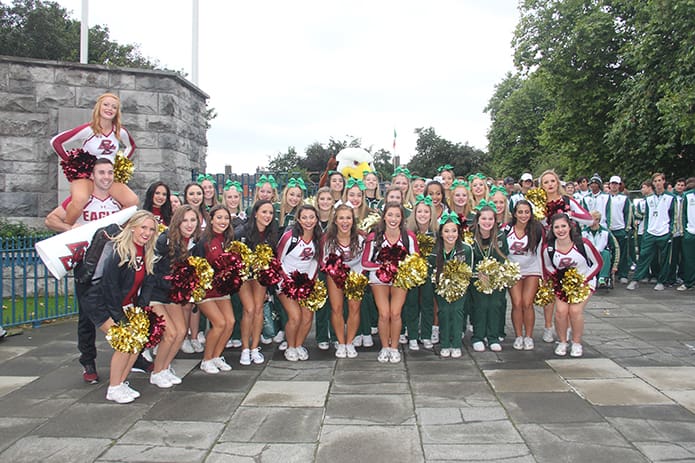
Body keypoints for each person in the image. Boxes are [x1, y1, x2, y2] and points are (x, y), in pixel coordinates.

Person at [45, 159, 128, 384]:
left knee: (122, 311)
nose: (106, 176)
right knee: (87, 318)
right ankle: (88, 362)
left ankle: (131, 357)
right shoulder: (80, 200)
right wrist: (69, 227)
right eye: (101, 172)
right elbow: (51, 220)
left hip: (113, 268)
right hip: (87, 268)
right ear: (92, 175)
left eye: (110, 172)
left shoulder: (118, 201)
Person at [79, 211, 157, 403]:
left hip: (124, 304)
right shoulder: (118, 251)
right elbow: (110, 288)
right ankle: (113, 388)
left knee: (137, 342)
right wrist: (120, 319)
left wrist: (141, 310)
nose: (146, 232)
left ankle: (121, 382)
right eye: (143, 227)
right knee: (125, 342)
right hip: (101, 304)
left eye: (151, 229)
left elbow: (146, 284)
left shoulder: (145, 251)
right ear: (132, 227)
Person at [50, 93, 138, 225]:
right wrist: (73, 163)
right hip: (88, 176)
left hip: (107, 177)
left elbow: (131, 146)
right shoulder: (89, 129)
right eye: (106, 105)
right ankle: (68, 229)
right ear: (99, 107)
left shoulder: (119, 131)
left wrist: (119, 163)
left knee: (132, 201)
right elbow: (56, 142)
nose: (110, 109)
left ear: (117, 111)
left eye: (114, 107)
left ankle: (114, 229)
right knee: (79, 200)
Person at [148, 205, 201, 388]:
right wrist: (175, 281)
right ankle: (156, 372)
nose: (189, 224)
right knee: (170, 334)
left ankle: (164, 368)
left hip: (172, 295)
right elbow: (153, 271)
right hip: (155, 293)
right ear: (177, 221)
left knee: (180, 332)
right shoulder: (164, 240)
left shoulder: (194, 243)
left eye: (193, 220)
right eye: (185, 220)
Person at [538, 170, 592, 342]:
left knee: (567, 289)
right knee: (548, 288)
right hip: (547, 248)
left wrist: (570, 215)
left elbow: (589, 219)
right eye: (545, 182)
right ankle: (548, 327)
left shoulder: (567, 200)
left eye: (552, 181)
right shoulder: (538, 203)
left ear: (558, 182)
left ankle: (567, 328)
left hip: (568, 247)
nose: (550, 185)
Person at [361, 202, 419, 363]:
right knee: (384, 314)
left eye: (397, 216)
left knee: (395, 313)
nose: (393, 219)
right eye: (390, 215)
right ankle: (384, 347)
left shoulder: (408, 237)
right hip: (379, 278)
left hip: (400, 278)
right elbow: (365, 262)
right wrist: (384, 266)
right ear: (384, 216)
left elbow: (416, 261)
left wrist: (400, 268)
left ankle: (394, 348)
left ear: (402, 218)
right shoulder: (374, 236)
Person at [543, 213, 602, 357]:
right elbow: (548, 266)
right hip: (562, 284)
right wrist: (558, 278)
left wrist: (584, 280)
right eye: (557, 227)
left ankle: (576, 343)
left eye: (563, 226)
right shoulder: (549, 248)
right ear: (552, 229)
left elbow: (598, 263)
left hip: (584, 282)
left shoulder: (583, 244)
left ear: (570, 227)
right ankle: (562, 341)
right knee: (561, 312)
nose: (560, 230)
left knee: (575, 311)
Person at [276, 205, 322, 361]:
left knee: (308, 316)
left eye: (312, 217)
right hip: (285, 282)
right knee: (295, 316)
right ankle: (290, 346)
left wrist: (309, 282)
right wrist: (287, 281)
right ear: (298, 219)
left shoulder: (318, 238)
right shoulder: (290, 237)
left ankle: (298, 345)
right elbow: (277, 260)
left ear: (316, 219)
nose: (308, 221)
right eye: (304, 217)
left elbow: (316, 262)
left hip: (306, 282)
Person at [236, 200, 279, 365]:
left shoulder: (271, 233)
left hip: (261, 276)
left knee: (259, 308)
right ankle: (245, 349)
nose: (267, 216)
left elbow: (273, 257)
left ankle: (255, 347)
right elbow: (233, 257)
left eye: (270, 213)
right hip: (244, 276)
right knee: (249, 309)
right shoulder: (241, 232)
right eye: (264, 212)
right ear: (255, 213)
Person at [322, 204, 366, 358]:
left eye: (348, 218)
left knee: (354, 309)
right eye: (341, 218)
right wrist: (336, 273)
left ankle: (350, 342)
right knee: (337, 308)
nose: (345, 222)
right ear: (335, 220)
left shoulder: (361, 238)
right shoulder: (328, 240)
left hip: (356, 275)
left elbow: (366, 260)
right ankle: (341, 342)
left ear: (353, 221)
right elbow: (324, 262)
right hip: (335, 276)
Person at [197, 206, 237, 373]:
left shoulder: (228, 239)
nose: (223, 221)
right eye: (219, 218)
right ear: (211, 219)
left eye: (226, 218)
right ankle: (206, 360)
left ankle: (216, 356)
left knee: (230, 322)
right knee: (219, 323)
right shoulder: (203, 241)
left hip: (221, 289)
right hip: (205, 290)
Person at [431, 212, 473, 358]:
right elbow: (431, 271)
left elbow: (469, 271)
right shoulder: (434, 250)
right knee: (443, 311)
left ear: (458, 232)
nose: (451, 234)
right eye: (446, 231)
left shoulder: (466, 249)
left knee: (457, 312)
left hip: (460, 287)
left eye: (454, 231)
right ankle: (444, 344)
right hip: (441, 287)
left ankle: (456, 344)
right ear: (441, 233)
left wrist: (459, 284)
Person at [469, 204, 509, 352]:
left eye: (490, 219)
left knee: (494, 306)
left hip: (496, 278)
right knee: (480, 306)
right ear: (477, 220)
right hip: (477, 278)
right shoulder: (470, 236)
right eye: (484, 218)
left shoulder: (500, 236)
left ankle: (492, 337)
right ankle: (478, 336)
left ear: (495, 220)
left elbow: (504, 258)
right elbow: (467, 258)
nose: (487, 222)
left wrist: (494, 274)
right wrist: (479, 274)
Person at [627, 173, 676, 291]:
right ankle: (636, 279)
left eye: (660, 180)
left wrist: (670, 231)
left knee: (664, 258)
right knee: (644, 255)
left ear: (664, 181)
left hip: (664, 232)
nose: (658, 183)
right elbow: (647, 216)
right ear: (653, 183)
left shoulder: (671, 198)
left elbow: (673, 215)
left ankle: (661, 280)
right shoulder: (649, 199)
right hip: (650, 231)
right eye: (655, 181)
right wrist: (647, 230)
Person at [506, 200, 544, 351]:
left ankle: (528, 336)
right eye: (520, 212)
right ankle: (518, 336)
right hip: (513, 270)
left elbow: (541, 252)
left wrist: (543, 273)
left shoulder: (537, 229)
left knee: (527, 303)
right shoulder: (506, 229)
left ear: (531, 213)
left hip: (532, 269)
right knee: (517, 303)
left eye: (527, 212)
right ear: (515, 213)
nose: (523, 215)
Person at [404, 195, 438, 350]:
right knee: (411, 304)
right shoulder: (408, 233)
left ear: (431, 214)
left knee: (428, 304)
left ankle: (426, 334)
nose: (423, 215)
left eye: (426, 212)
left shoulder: (437, 234)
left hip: (430, 276)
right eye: (419, 212)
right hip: (412, 275)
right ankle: (412, 335)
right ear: (414, 214)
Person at [582, 210, 619, 288]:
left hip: (601, 256)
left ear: (597, 220)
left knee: (606, 253)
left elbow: (615, 247)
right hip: (588, 256)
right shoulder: (583, 232)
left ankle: (602, 278)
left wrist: (615, 265)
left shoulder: (606, 232)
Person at [606, 176, 633, 284]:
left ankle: (623, 274)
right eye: (612, 183)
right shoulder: (605, 197)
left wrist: (626, 229)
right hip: (608, 229)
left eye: (616, 184)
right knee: (608, 253)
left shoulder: (624, 198)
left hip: (620, 228)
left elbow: (628, 213)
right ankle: (608, 274)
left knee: (622, 253)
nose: (614, 186)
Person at [677, 177, 695, 291]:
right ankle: (689, 282)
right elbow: (682, 215)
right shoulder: (687, 196)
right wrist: (684, 231)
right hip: (690, 231)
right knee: (689, 260)